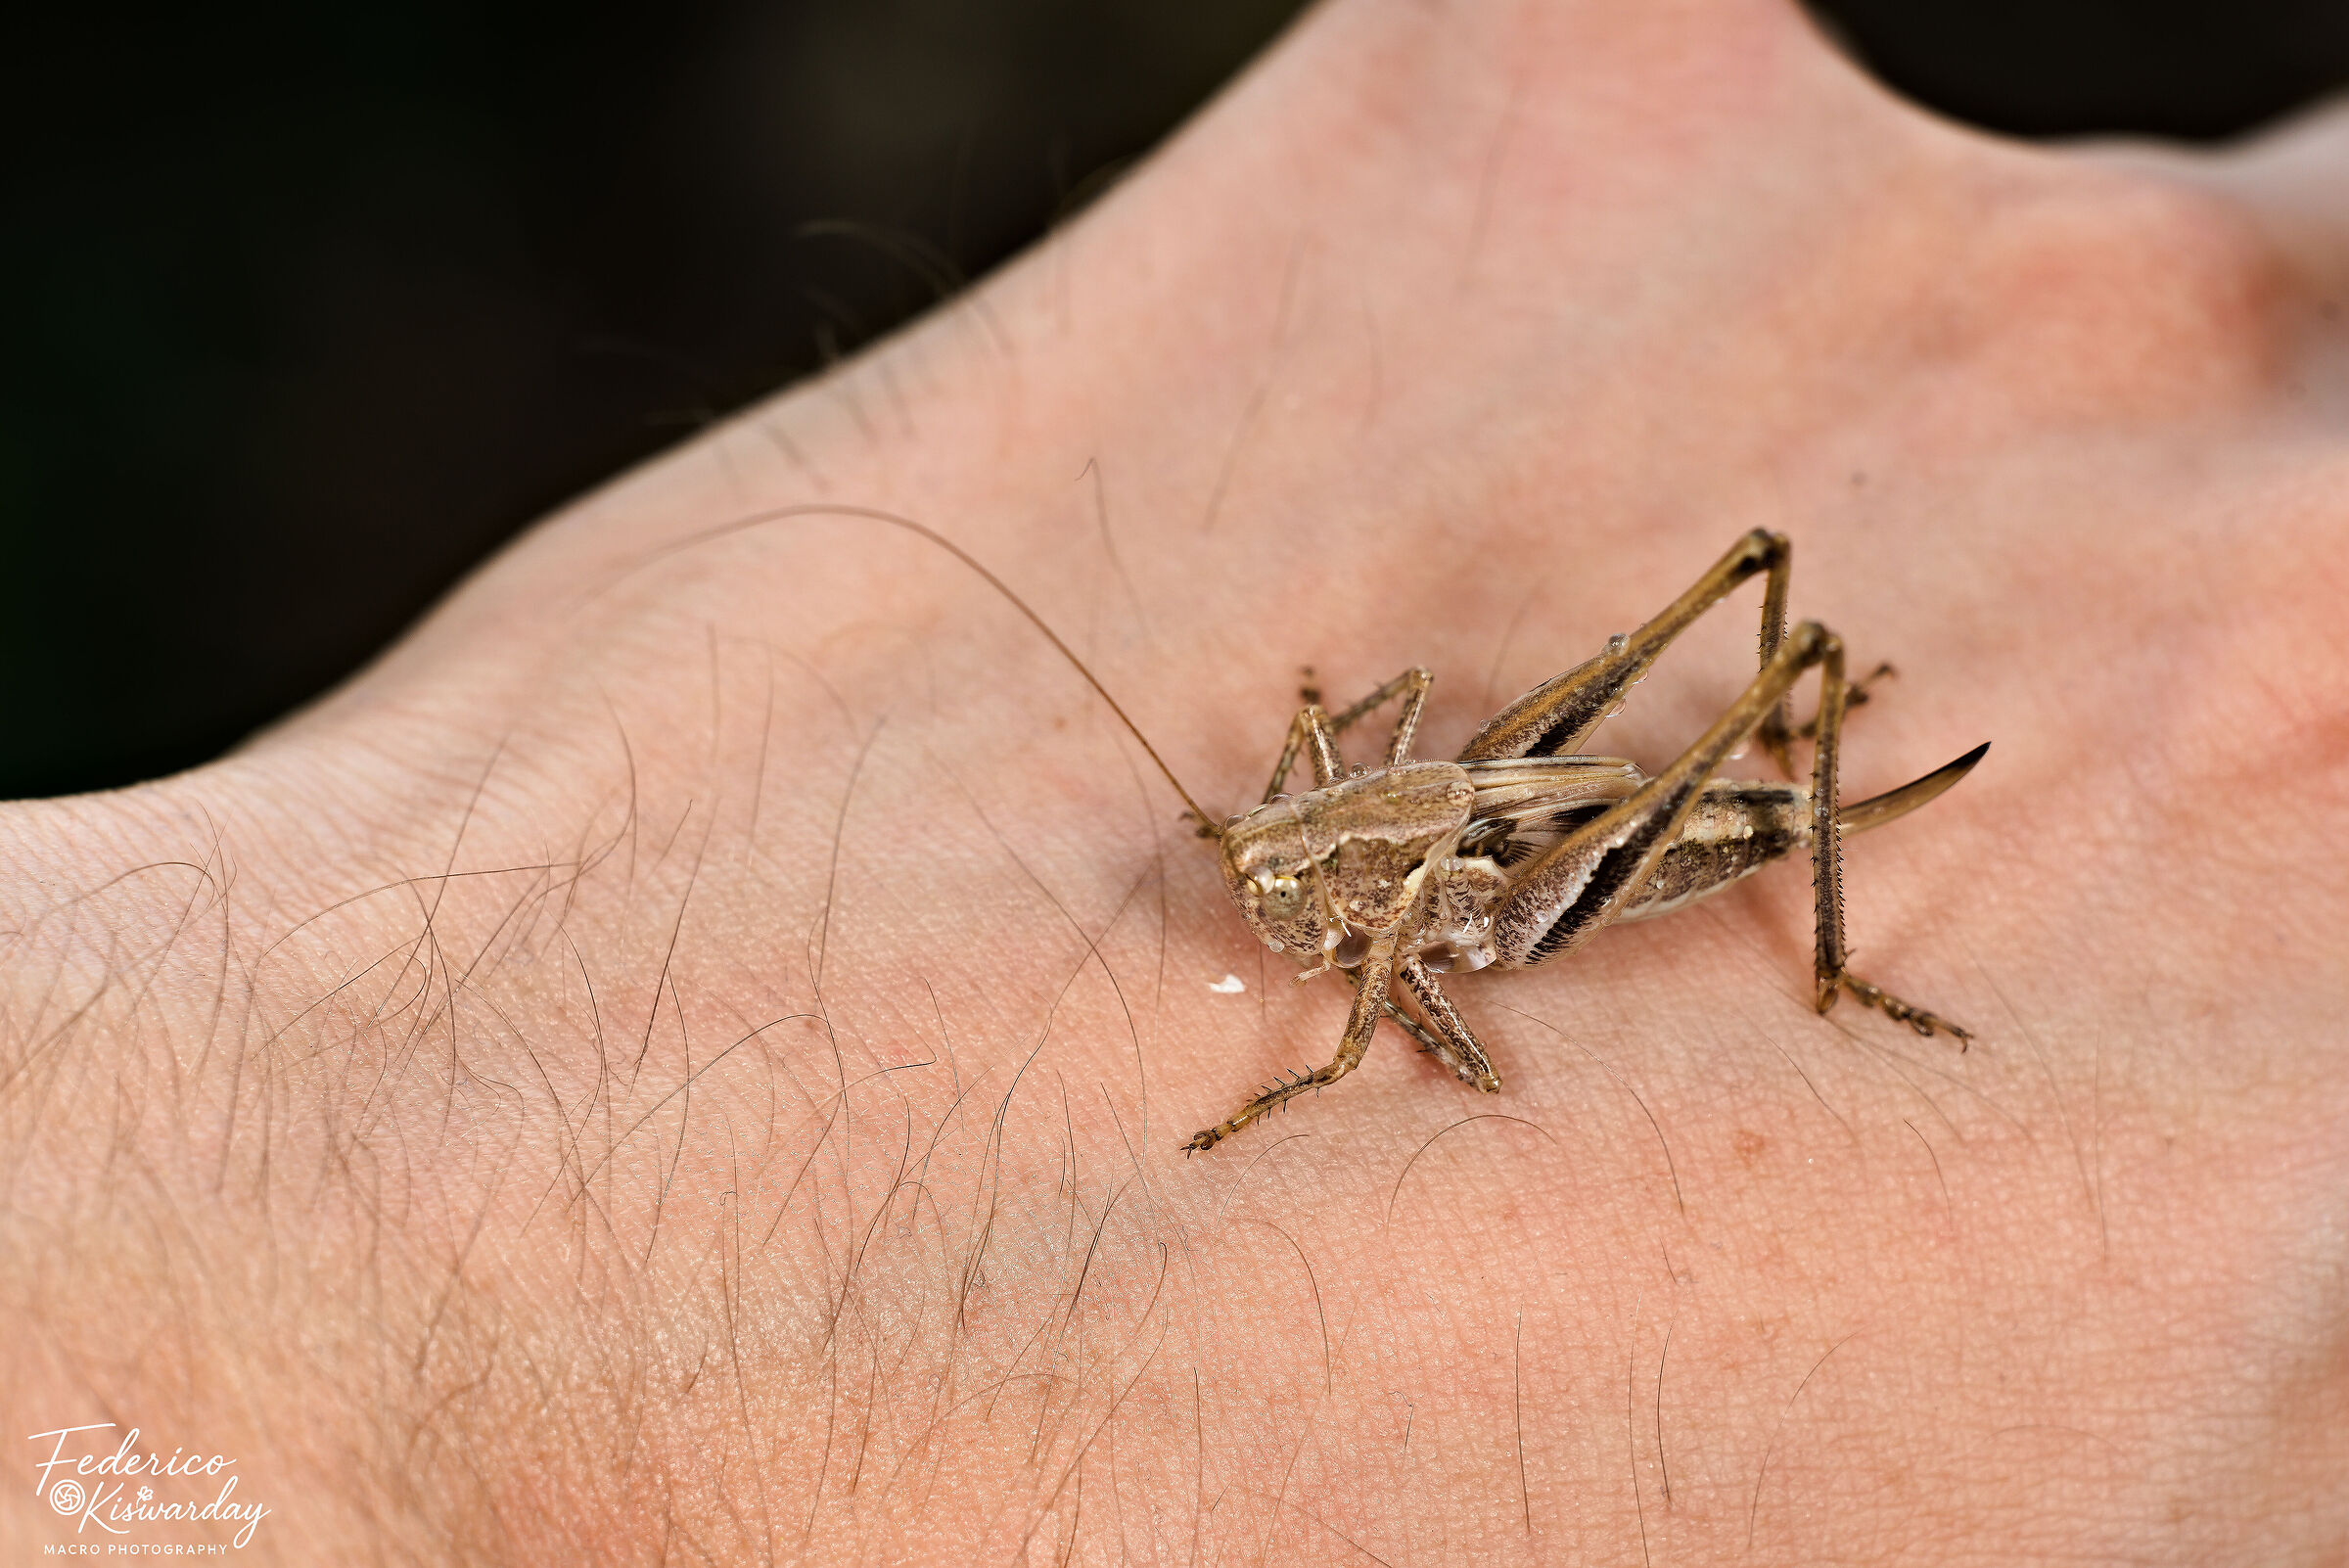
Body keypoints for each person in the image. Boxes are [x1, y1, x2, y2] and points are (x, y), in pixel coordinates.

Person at [6, 1, 2344, 1557]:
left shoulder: (1382, 913)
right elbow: (1356, 757)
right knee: (1516, 749)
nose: (1265, 893)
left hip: (1562, 860)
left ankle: (1824, 919)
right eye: (1267, 864)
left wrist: (1320, 1053)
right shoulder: (1297, 826)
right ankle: (1786, 738)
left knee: (1654, 719)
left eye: (1285, 875)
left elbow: (1409, 974)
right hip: (1488, 809)